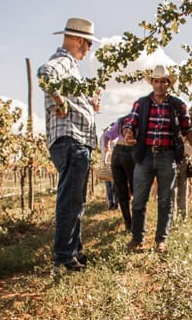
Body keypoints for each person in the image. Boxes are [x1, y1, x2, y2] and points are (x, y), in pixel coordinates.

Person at [37, 17, 101, 274]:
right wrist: (61, 103)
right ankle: (63, 260)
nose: (89, 49)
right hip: (71, 140)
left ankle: (73, 252)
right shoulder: (63, 61)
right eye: (88, 43)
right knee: (70, 201)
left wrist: (89, 104)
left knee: (77, 201)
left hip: (77, 140)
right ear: (77, 40)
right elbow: (45, 72)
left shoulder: (71, 67)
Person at [123, 65, 192, 251]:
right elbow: (130, 122)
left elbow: (187, 129)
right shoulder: (141, 104)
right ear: (152, 83)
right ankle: (138, 239)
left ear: (168, 84)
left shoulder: (178, 105)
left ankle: (161, 240)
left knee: (166, 200)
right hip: (145, 156)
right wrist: (128, 133)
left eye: (163, 82)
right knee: (139, 200)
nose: (159, 85)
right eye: (156, 81)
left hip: (167, 156)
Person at [103, 116, 135, 231]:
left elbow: (107, 135)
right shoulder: (139, 119)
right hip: (131, 154)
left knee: (122, 192)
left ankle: (128, 223)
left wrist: (106, 147)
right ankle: (136, 222)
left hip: (117, 153)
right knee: (136, 189)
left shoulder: (121, 120)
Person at [100, 124, 118, 210]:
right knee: (113, 185)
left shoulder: (102, 137)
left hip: (106, 163)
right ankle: (114, 203)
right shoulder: (113, 138)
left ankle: (112, 203)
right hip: (111, 164)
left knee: (109, 185)